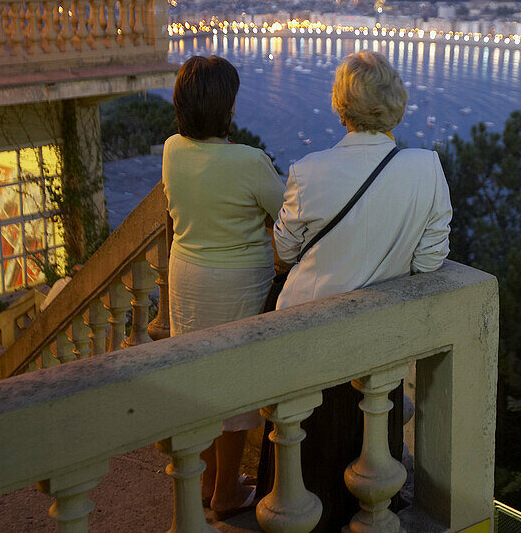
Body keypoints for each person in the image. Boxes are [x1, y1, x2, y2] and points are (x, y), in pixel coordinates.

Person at [262, 50, 452, 531]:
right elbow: (430, 262)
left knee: (301, 462)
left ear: (340, 105)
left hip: (306, 340)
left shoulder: (308, 171)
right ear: (396, 104)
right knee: (371, 457)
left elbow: (284, 253)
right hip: (376, 348)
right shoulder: (427, 169)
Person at [161, 55, 286, 517]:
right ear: (227, 108)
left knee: (200, 380)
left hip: (186, 275)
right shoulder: (250, 162)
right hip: (238, 281)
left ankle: (211, 478)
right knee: (235, 385)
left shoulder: (172, 149)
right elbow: (288, 217)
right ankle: (226, 492)